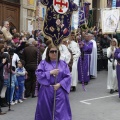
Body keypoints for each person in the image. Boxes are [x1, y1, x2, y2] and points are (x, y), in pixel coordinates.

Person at [35, 45, 72, 120]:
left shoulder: (63, 63)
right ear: (48, 53)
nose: (54, 53)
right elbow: (39, 75)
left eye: (56, 51)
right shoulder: (43, 63)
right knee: (45, 111)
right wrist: (50, 72)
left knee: (60, 111)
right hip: (46, 90)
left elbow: (68, 76)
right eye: (52, 51)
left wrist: (60, 84)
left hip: (60, 90)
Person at [0, 44, 7, 115]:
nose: (3, 49)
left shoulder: (2, 55)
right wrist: (2, 62)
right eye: (2, 48)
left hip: (1, 76)